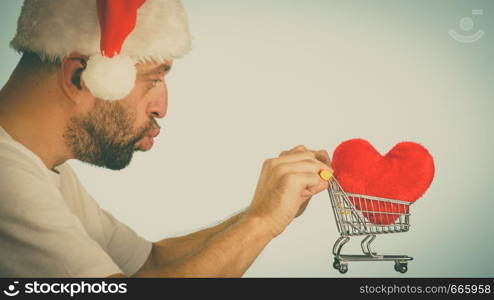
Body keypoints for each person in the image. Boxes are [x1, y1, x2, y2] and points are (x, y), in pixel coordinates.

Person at [0, 0, 332, 277]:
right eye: (153, 79)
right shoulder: (7, 178)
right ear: (80, 77)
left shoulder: (40, 167)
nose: (163, 108)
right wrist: (263, 222)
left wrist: (263, 211)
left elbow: (150, 264)